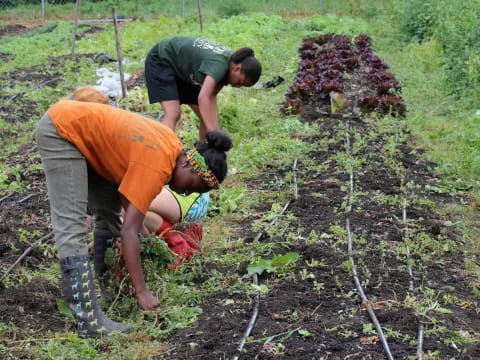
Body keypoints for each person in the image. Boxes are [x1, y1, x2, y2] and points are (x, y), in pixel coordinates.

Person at [36, 98, 232, 336]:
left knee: (108, 216)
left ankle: (111, 294)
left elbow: (128, 201)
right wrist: (142, 291)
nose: (185, 193)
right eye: (191, 186)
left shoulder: (171, 147)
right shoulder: (158, 166)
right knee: (72, 227)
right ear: (189, 166)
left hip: (88, 139)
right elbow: (129, 232)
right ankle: (88, 320)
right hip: (63, 131)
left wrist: (143, 233)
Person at [145, 36, 262, 140]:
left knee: (207, 120)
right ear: (237, 68)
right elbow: (203, 97)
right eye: (240, 82)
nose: (238, 86)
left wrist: (214, 129)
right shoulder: (220, 65)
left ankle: (206, 157)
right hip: (162, 59)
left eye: (242, 86)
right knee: (173, 113)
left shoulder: (229, 67)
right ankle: (161, 155)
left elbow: (211, 97)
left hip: (182, 70)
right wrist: (214, 134)